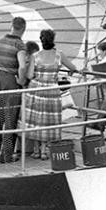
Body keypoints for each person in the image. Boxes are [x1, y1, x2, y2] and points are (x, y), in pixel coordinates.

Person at [22, 29, 79, 160]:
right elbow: (72, 67)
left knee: (36, 120)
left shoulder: (35, 56)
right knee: (47, 121)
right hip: (52, 90)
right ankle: (44, 150)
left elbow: (30, 75)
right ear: (53, 40)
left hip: (36, 90)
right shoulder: (59, 55)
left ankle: (36, 150)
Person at [0, 16, 26, 163]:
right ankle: (7, 155)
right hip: (10, 81)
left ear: (11, 26)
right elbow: (22, 66)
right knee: (10, 118)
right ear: (23, 29)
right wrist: (21, 80)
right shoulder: (19, 45)